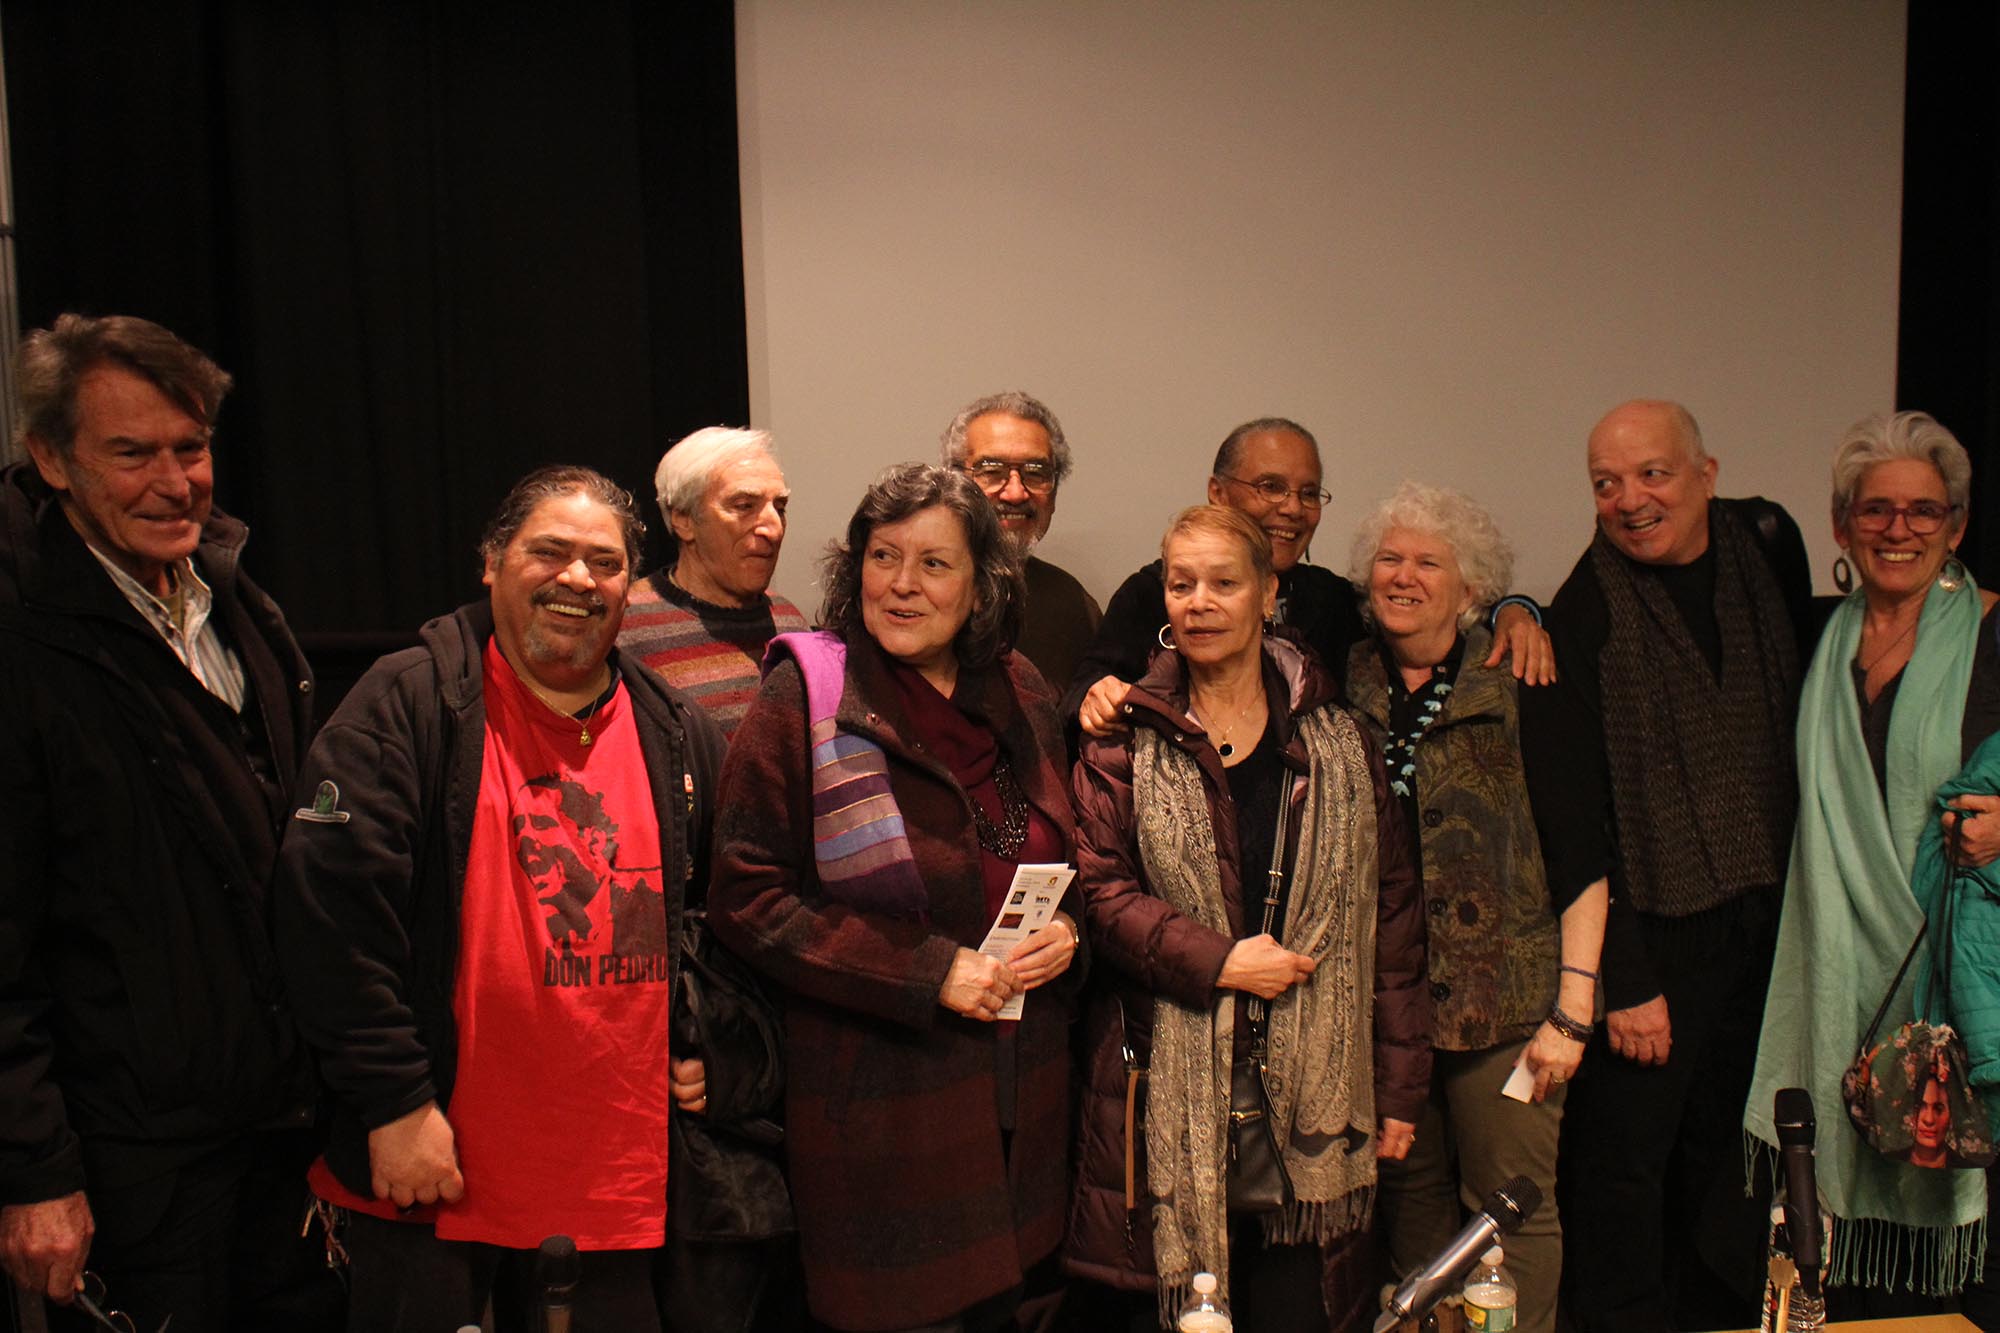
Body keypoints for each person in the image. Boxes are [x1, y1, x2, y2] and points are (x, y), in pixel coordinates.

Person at [273, 466, 728, 1331]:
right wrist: (393, 1101)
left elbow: (720, 921)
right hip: (434, 1182)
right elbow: (327, 919)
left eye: (605, 562)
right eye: (549, 551)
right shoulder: (409, 704)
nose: (578, 578)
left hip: (617, 1191)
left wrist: (712, 1042)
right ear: (491, 561)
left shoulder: (677, 731)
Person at [0, 314, 337, 1332]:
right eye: (131, 452)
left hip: (279, 1137)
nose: (174, 481)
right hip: (130, 1170)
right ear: (50, 458)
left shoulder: (233, 598)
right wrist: (35, 1171)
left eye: (190, 447)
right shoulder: (21, 640)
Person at [709, 462, 1084, 1332]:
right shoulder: (806, 694)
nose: (902, 584)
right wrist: (927, 970)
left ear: (982, 585)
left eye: (934, 563)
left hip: (1025, 1106)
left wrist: (1071, 931)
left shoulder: (1021, 687)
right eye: (883, 556)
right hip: (886, 1122)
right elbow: (747, 897)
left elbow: (1072, 853)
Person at [1063, 504, 1429, 1333]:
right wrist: (1222, 961)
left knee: (1298, 1309)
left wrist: (1402, 1084)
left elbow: (1394, 917)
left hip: (1315, 1099)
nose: (1199, 601)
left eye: (1224, 583)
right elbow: (1101, 895)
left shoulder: (1342, 740)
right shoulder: (1122, 740)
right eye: (1181, 583)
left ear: (1267, 594)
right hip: (1168, 1088)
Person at [1523, 400, 1818, 1333]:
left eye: (1652, 473)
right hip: (1654, 942)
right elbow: (1574, 823)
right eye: (1605, 483)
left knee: (1732, 1175)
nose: (1630, 499)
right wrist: (1627, 980)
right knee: (1624, 1181)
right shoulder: (1584, 610)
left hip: (1765, 930)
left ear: (1707, 473)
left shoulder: (1765, 549)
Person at [1744, 411, 2000, 1307]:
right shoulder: (1824, 637)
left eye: (1924, 510)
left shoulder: (1993, 633)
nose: (1900, 529)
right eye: (1876, 509)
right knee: (1831, 1275)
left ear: (1956, 525)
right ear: (1841, 524)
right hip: (1834, 970)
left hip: (1958, 977)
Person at [1344, 483, 1607, 1333]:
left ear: (1472, 588)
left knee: (1511, 1212)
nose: (1404, 576)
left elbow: (1581, 852)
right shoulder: (1343, 679)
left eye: (1429, 562)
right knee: (1412, 1220)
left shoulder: (1521, 676)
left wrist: (1572, 1010)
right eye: (1390, 558)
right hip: (1385, 1008)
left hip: (1509, 1009)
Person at [1069, 417, 1551, 741]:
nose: (1292, 509)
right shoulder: (1152, 594)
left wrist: (1513, 611)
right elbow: (1081, 696)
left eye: (1308, 493)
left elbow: (1424, 607)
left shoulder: (1330, 599)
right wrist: (1099, 698)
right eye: (1271, 487)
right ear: (1218, 493)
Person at [618, 426, 807, 739]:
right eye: (744, 506)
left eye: (780, 508)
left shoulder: (790, 622)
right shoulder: (626, 624)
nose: (773, 529)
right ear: (683, 519)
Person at [941, 391, 1102, 691]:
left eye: (1035, 473)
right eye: (992, 471)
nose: (1015, 493)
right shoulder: (909, 587)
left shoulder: (1072, 605)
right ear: (953, 482)